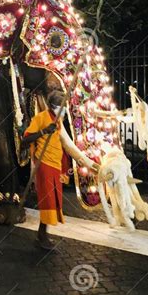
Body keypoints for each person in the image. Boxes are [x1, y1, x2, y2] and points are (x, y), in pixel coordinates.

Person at [22, 90, 98, 250]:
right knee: (48, 201)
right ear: (52, 106)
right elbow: (26, 138)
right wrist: (43, 131)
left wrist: (80, 165)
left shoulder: (58, 122)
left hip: (55, 165)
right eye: (60, 107)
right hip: (44, 165)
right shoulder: (41, 118)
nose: (62, 111)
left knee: (54, 200)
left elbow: (65, 145)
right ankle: (42, 236)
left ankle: (43, 234)